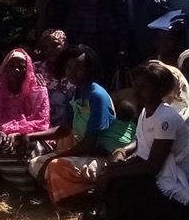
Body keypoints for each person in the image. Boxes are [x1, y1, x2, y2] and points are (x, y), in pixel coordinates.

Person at [86, 60, 189, 220]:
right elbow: (142, 155)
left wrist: (114, 172)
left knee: (126, 187)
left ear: (159, 90)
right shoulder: (146, 114)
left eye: (143, 87)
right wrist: (111, 169)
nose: (137, 92)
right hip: (168, 175)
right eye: (135, 86)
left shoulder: (166, 118)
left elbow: (152, 165)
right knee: (115, 179)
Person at [34, 45, 126, 208]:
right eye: (69, 67)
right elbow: (63, 130)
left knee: (55, 166)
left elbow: (89, 144)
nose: (72, 72)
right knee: (35, 164)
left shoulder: (96, 96)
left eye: (78, 68)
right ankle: (71, 193)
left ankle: (77, 200)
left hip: (106, 157)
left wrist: (54, 159)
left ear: (88, 69)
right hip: (87, 153)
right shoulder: (75, 93)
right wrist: (29, 136)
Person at [0, 48, 53, 189]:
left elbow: (42, 121)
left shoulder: (38, 90)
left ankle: (28, 185)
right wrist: (3, 132)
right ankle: (13, 182)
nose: (16, 70)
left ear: (27, 70)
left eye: (21, 67)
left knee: (30, 147)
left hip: (32, 136)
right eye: (12, 66)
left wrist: (18, 134)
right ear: (5, 68)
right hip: (4, 134)